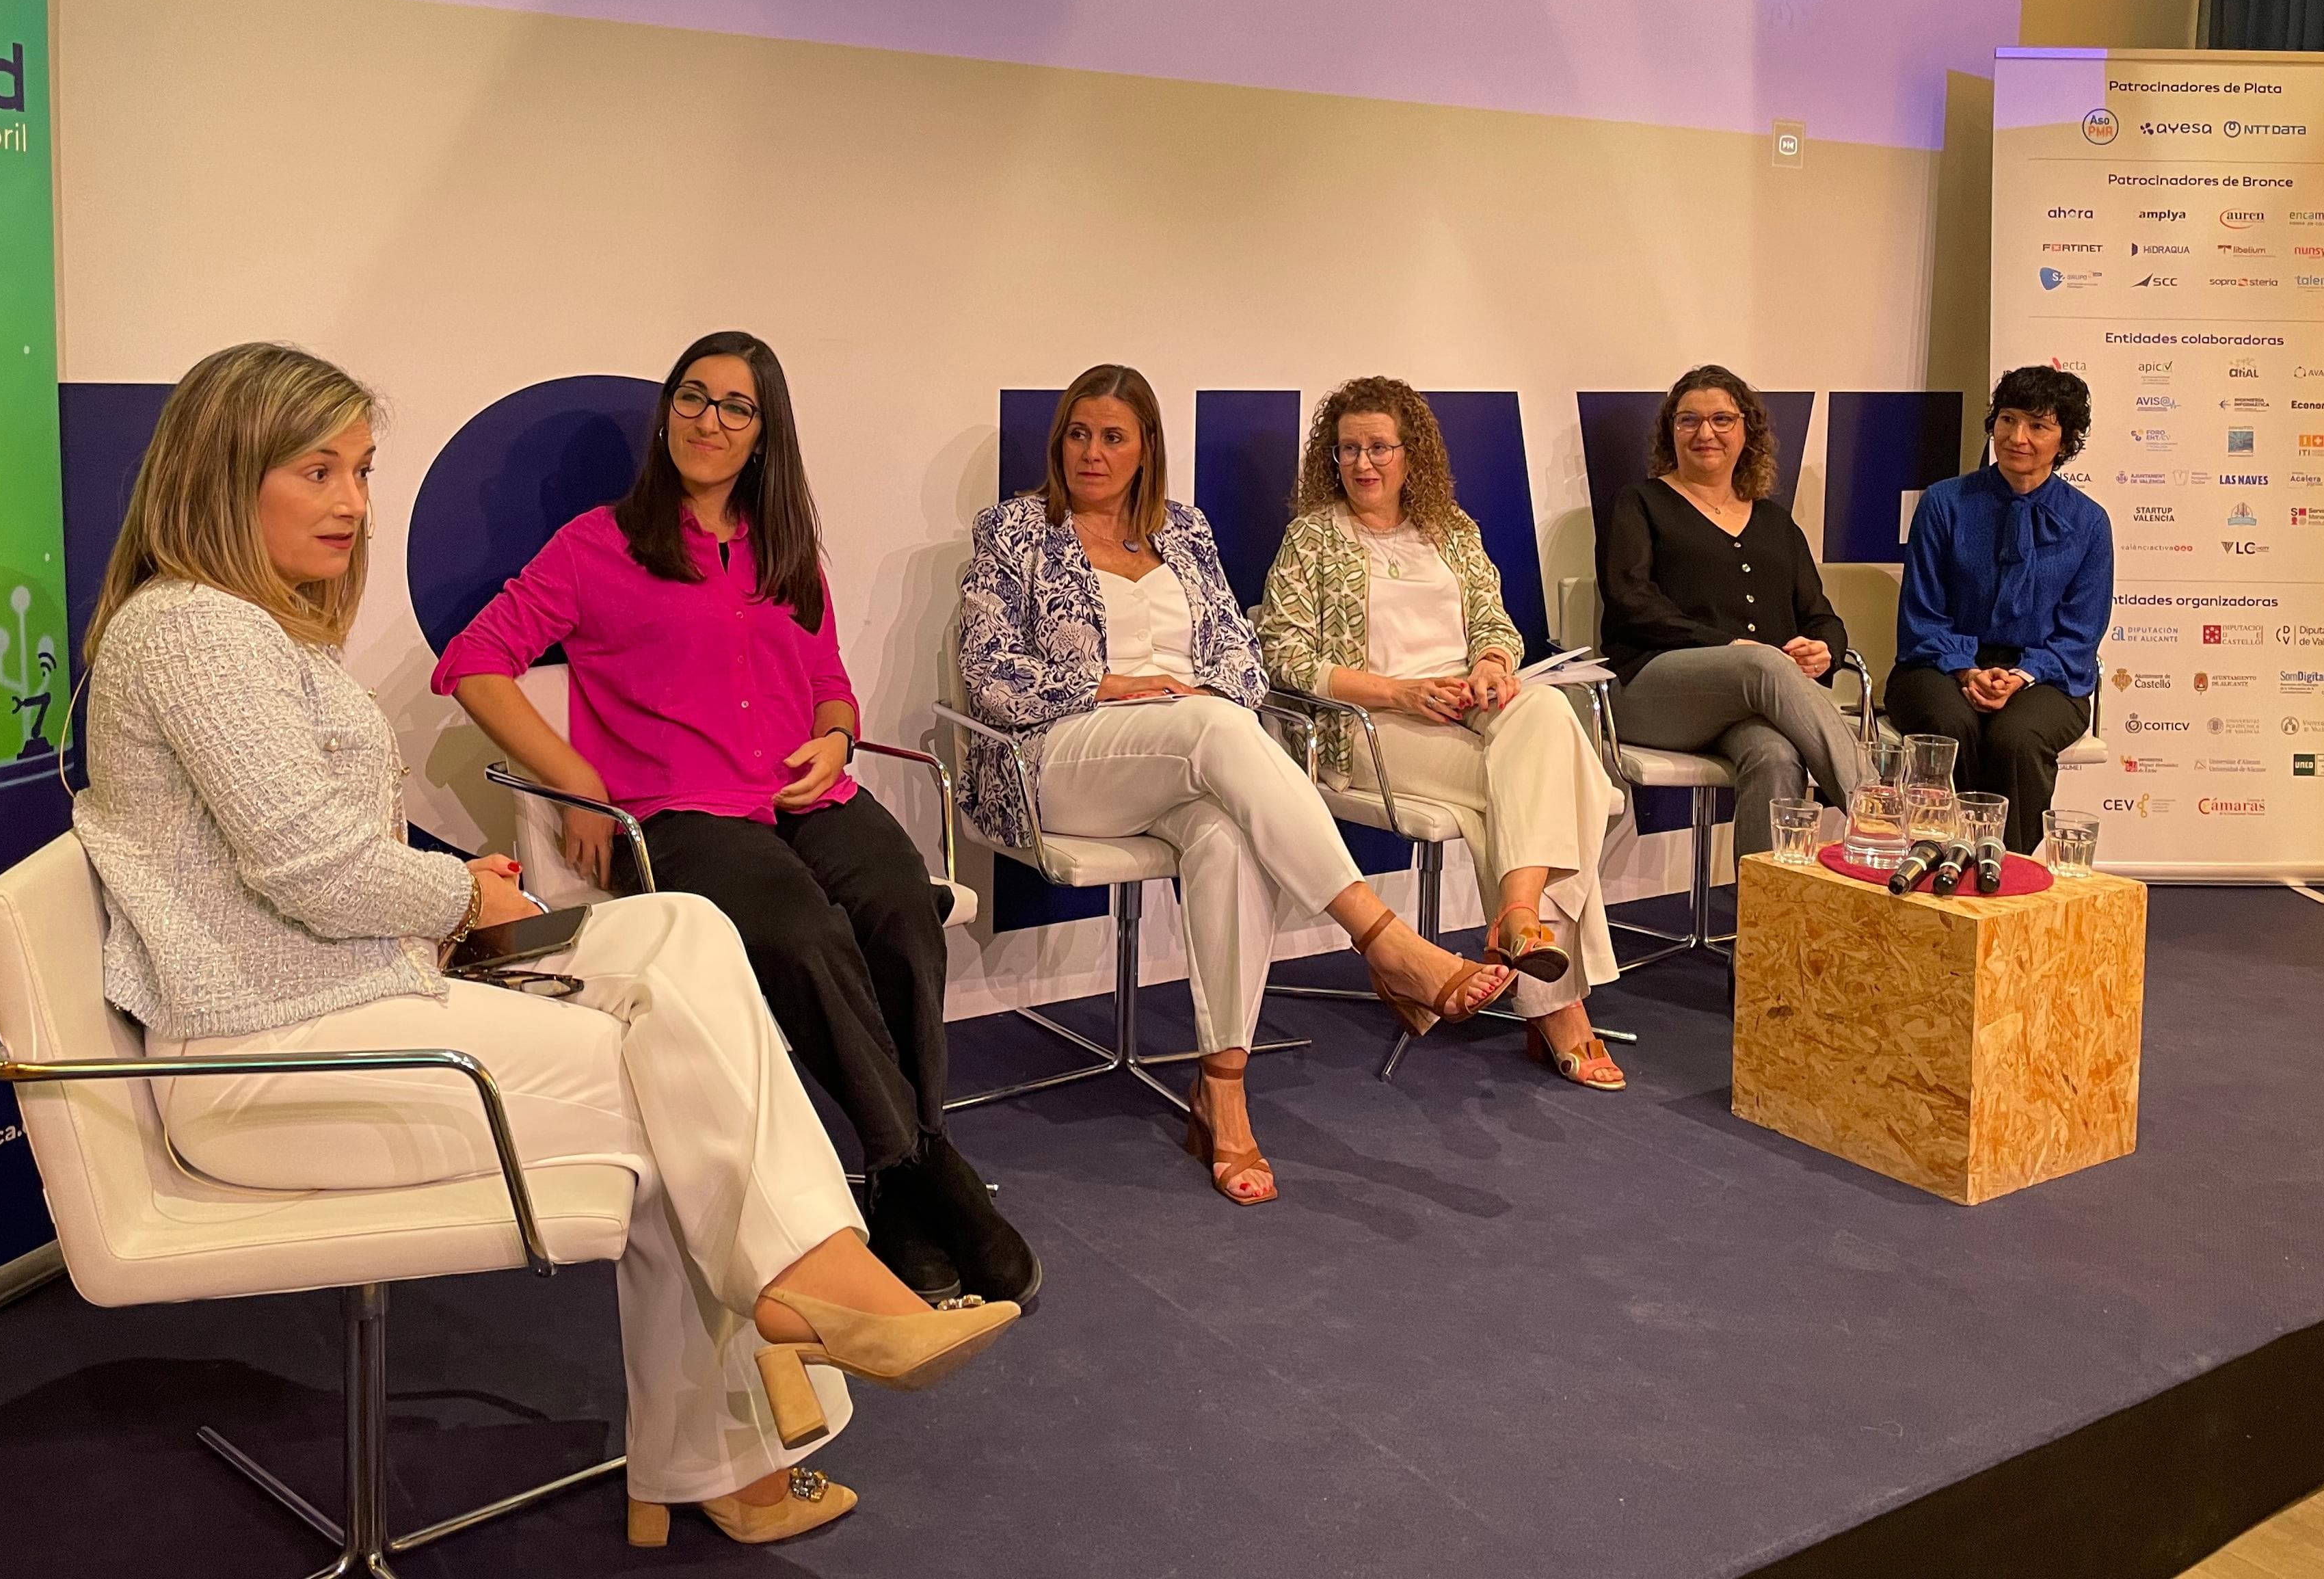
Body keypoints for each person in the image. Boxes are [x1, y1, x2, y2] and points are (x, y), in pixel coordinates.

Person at [74, 342, 1015, 1552]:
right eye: (317, 470)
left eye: (361, 469)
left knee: (682, 934)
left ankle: (803, 1284)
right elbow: (311, 867)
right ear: (221, 470)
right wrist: (461, 889)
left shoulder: (249, 628)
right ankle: (764, 1368)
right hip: (279, 1041)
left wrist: (453, 893)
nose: (354, 502)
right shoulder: (198, 632)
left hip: (350, 985)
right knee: (686, 1071)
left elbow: (306, 864)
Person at [437, 333, 1036, 1310]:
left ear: (764, 434)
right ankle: (927, 1172)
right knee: (800, 933)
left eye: (735, 408)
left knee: (897, 906)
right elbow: (475, 664)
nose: (708, 422)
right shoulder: (600, 545)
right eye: (693, 398)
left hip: (807, 791)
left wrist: (838, 739)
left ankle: (899, 1182)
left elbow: (830, 681)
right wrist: (576, 776)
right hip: (680, 811)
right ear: (667, 412)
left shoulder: (786, 547)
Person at [958, 365, 1514, 1206]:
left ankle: (1222, 1087)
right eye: (1079, 433)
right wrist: (1115, 687)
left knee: (1224, 830)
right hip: (1061, 758)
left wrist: (1195, 696)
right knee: (1219, 727)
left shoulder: (1184, 530)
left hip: (1188, 752)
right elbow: (989, 675)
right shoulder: (1015, 531)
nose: (1093, 452)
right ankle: (1384, 942)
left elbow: (1239, 657)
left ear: (1147, 448)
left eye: (1114, 436)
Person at [1260, 377, 1627, 1091]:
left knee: (1548, 714)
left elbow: (1496, 623)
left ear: (1411, 454)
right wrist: (1400, 690)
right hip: (1372, 725)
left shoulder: (1452, 530)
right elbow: (1286, 655)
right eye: (1348, 450)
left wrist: (1491, 667)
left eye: (1379, 448)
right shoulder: (1313, 538)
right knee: (1531, 789)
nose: (1363, 465)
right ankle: (1558, 1009)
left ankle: (1520, 914)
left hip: (1468, 710)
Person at [1600, 365, 1862, 861]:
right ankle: (1878, 820)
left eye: (1722, 419)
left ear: (1747, 431)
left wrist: (1825, 649)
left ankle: (1764, 927)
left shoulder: (1774, 522)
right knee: (1761, 665)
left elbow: (1821, 616)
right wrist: (1730, 648)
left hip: (1751, 703)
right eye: (1688, 421)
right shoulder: (1640, 503)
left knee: (1776, 756)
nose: (1705, 433)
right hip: (1650, 693)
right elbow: (1630, 602)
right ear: (1669, 433)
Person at [1886, 365, 2111, 856]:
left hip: (2046, 676)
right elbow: (1922, 615)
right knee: (1951, 728)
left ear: (2065, 439)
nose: (2017, 438)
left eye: (2038, 425)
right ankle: (1940, 857)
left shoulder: (2089, 523)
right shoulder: (1945, 502)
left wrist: (2022, 675)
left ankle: (2004, 868)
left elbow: (2080, 634)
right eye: (2007, 420)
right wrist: (1967, 670)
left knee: (2017, 738)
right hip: (1938, 663)